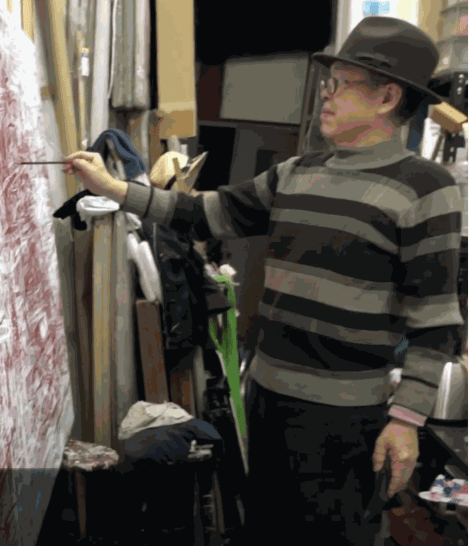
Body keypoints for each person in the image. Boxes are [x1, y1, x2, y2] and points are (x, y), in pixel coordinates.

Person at [63, 17, 463, 544]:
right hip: (266, 399)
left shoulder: (426, 188)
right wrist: (113, 189)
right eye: (329, 82)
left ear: (387, 97)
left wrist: (407, 421)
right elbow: (204, 211)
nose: (326, 95)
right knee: (268, 529)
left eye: (340, 84)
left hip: (345, 420)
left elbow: (435, 319)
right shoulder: (296, 172)